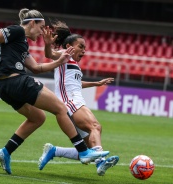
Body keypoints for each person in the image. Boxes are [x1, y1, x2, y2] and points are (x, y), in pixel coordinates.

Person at [0, 8, 109, 175]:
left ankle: (6, 151)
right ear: (32, 23)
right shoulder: (17, 30)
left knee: (38, 117)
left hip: (4, 88)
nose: (42, 32)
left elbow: (37, 68)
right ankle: (83, 151)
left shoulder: (22, 44)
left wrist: (60, 61)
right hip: (17, 81)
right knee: (61, 108)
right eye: (41, 27)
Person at [38, 20, 119, 176]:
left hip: (73, 101)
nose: (84, 51)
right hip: (70, 102)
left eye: (85, 48)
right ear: (69, 46)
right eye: (81, 46)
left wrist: (97, 83)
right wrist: (48, 44)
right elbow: (49, 54)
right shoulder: (64, 55)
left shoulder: (73, 63)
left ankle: (54, 151)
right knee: (95, 126)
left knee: (87, 149)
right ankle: (101, 162)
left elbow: (76, 83)